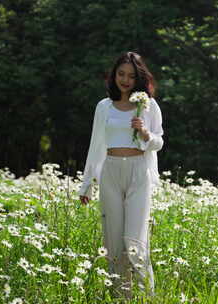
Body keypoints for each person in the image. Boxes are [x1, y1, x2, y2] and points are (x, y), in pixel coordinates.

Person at [78, 51, 163, 300]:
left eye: (131, 75)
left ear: (139, 78)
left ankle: (148, 296)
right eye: (121, 74)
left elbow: (159, 142)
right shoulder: (103, 107)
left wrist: (145, 133)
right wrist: (86, 185)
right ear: (114, 76)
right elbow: (96, 146)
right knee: (114, 245)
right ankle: (119, 297)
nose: (125, 80)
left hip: (138, 172)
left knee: (135, 244)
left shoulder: (147, 105)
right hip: (110, 173)